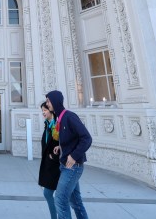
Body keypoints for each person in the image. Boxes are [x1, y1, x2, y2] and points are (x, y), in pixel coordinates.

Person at [46, 90, 92, 219]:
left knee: (60, 200)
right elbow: (72, 138)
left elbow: (86, 138)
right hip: (67, 166)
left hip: (72, 167)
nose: (47, 104)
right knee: (76, 202)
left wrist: (73, 155)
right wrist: (61, 147)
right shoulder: (60, 118)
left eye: (49, 101)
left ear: (55, 101)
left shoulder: (70, 117)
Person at [39, 101, 60, 219]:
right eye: (42, 110)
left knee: (48, 193)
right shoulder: (48, 124)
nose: (43, 112)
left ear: (51, 110)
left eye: (45, 110)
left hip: (56, 165)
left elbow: (63, 143)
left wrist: (54, 156)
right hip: (49, 164)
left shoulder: (57, 125)